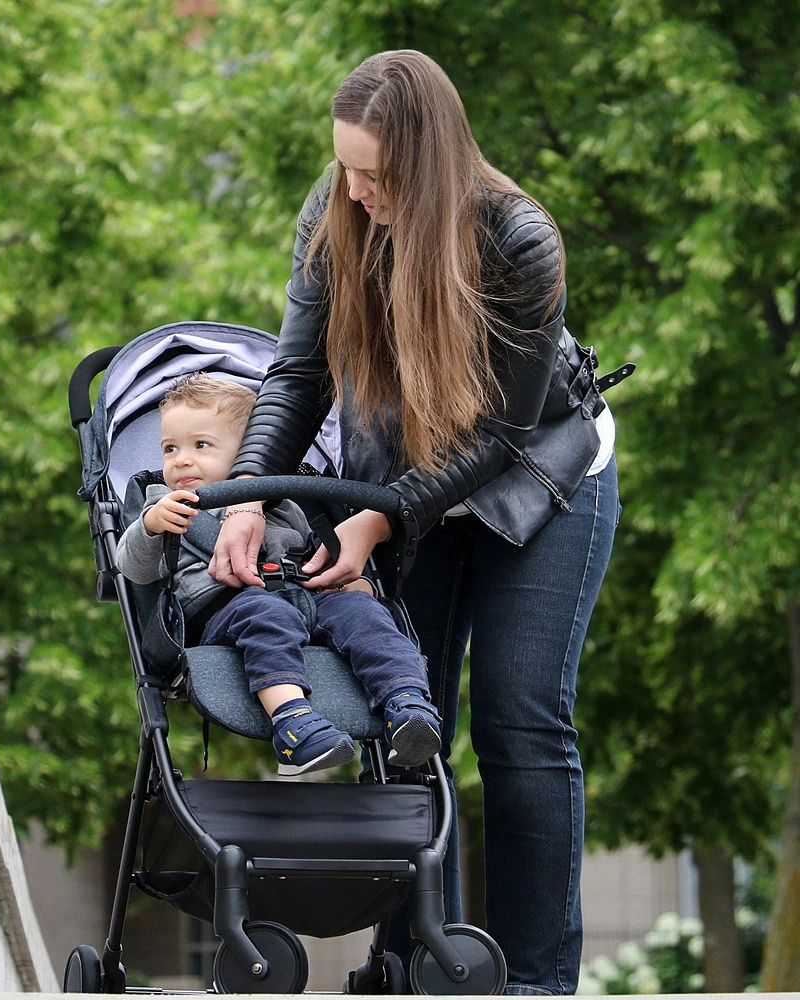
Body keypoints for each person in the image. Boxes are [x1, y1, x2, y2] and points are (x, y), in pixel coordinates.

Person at [209, 50, 625, 994]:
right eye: (346, 169)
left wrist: (380, 524)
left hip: (536, 474)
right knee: (405, 709)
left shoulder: (519, 239)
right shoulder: (335, 213)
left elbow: (507, 432)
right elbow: (299, 377)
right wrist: (248, 496)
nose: (358, 193)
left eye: (378, 175)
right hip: (405, 476)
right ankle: (398, 963)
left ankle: (536, 980)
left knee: (519, 719)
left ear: (428, 164)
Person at [115, 374, 442, 776]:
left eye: (200, 445)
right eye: (170, 448)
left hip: (307, 597)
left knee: (366, 613)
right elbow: (133, 569)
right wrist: (150, 527)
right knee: (267, 615)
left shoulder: (286, 503)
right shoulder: (165, 507)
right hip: (227, 611)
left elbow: (318, 553)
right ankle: (292, 723)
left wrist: (355, 586)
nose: (180, 459)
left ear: (250, 455)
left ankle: (407, 702)